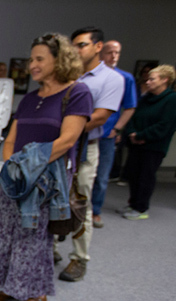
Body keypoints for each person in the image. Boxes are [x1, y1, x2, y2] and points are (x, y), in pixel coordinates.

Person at [0, 33, 91, 301]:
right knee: (4, 232)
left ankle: (34, 293)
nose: (32, 65)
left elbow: (67, 141)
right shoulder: (29, 98)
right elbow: (9, 140)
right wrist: (12, 168)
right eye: (31, 59)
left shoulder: (76, 93)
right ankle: (6, 283)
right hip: (16, 178)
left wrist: (28, 167)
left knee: (33, 234)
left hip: (46, 181)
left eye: (40, 59)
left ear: (59, 59)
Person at [56, 27, 123, 283]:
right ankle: (49, 249)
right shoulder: (66, 75)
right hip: (59, 146)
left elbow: (100, 116)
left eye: (82, 44)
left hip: (85, 147)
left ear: (98, 47)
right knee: (53, 197)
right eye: (73, 45)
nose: (76, 50)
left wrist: (63, 127)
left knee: (80, 202)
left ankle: (79, 258)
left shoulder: (110, 79)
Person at [119, 65, 176, 220]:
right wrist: (132, 133)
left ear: (165, 80)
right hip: (136, 143)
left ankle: (141, 208)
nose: (148, 81)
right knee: (133, 174)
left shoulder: (171, 100)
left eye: (152, 79)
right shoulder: (146, 98)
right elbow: (133, 116)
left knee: (145, 176)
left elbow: (165, 125)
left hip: (153, 147)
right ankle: (133, 203)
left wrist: (142, 135)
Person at [92, 40, 137, 228]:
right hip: (86, 133)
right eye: (110, 52)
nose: (114, 56)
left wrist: (117, 129)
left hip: (107, 135)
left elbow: (130, 107)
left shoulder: (124, 78)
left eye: (117, 53)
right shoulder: (91, 75)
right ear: (101, 53)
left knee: (102, 177)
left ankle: (95, 211)